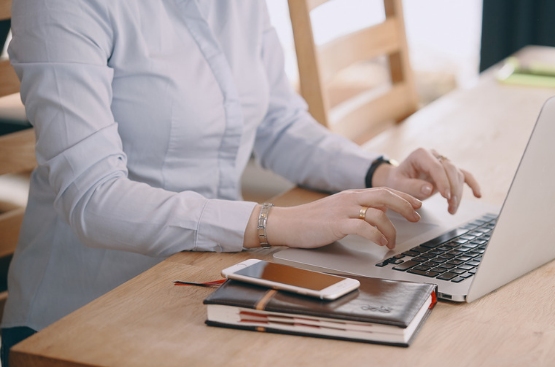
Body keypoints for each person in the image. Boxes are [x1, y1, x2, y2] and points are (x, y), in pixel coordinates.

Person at [1, 1, 481, 365]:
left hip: (203, 281)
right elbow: (93, 198)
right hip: (80, 320)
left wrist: (381, 172)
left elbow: (279, 123)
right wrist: (276, 222)